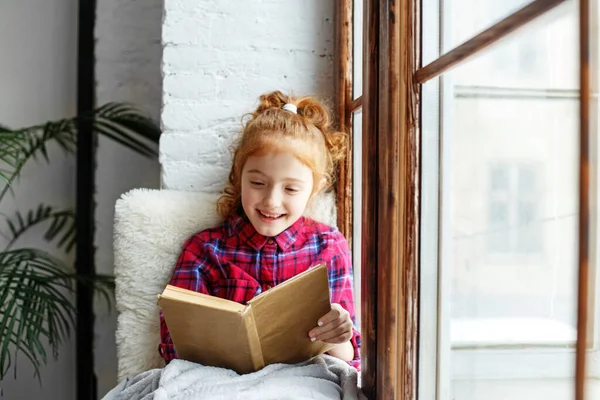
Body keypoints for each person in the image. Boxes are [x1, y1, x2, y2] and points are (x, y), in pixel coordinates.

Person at [158, 90, 361, 370]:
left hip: (301, 383)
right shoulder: (205, 250)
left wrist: (339, 334)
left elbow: (349, 358)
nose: (271, 201)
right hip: (218, 381)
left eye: (290, 188)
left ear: (314, 189)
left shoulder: (328, 246)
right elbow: (173, 346)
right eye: (257, 183)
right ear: (239, 175)